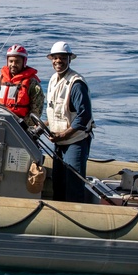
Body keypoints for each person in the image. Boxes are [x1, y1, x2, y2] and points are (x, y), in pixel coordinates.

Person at [44, 41, 94, 202]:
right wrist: (41, 126)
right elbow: (56, 111)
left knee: (73, 185)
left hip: (75, 141)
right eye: (55, 58)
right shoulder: (53, 80)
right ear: (51, 59)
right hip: (59, 143)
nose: (58, 61)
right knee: (58, 184)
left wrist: (64, 135)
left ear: (69, 59)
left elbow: (84, 116)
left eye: (62, 58)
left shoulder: (76, 83)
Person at [0, 44, 44, 131]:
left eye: (17, 62)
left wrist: (21, 125)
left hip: (19, 127)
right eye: (11, 61)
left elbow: (36, 111)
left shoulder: (32, 84)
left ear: (24, 62)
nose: (13, 64)